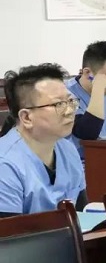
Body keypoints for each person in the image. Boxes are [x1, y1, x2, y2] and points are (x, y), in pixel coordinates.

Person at [0, 64, 86, 217]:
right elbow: (8, 230)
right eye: (58, 104)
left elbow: (82, 215)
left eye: (70, 101)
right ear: (26, 117)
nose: (70, 111)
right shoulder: (5, 164)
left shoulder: (68, 150)